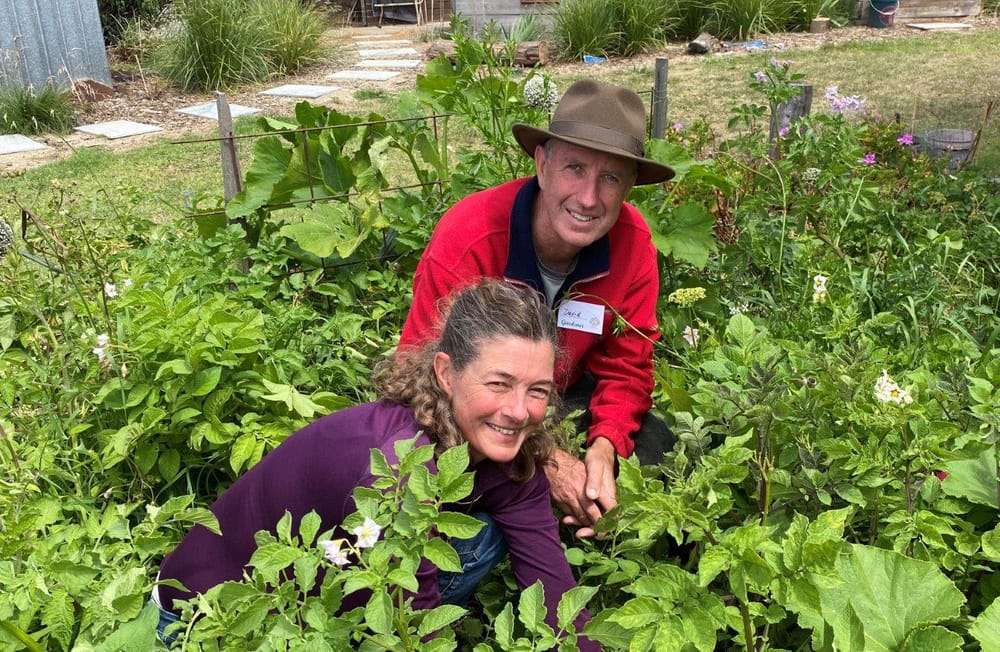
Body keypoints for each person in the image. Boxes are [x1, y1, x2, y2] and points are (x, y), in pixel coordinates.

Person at [152, 279, 599, 650]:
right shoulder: (398, 465)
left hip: (333, 564)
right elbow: (415, 626)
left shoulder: (511, 453)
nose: (519, 411)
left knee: (480, 534)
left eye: (537, 390)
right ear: (446, 374)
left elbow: (555, 589)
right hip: (208, 614)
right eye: (499, 383)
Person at [398, 79, 676, 539]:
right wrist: (547, 460)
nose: (589, 198)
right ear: (542, 165)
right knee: (444, 478)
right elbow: (422, 373)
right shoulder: (469, 236)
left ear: (630, 187)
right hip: (474, 404)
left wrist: (603, 450)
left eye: (610, 178)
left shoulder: (634, 244)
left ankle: (591, 534)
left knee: (656, 451)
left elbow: (628, 369)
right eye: (574, 168)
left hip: (563, 397)